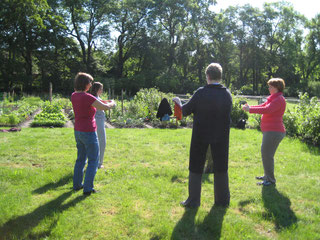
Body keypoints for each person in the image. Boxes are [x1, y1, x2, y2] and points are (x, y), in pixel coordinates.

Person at [174, 63, 232, 208]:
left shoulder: (201, 93)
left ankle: (193, 201)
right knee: (221, 167)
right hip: (221, 137)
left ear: (207, 76)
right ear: (220, 76)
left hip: (201, 136)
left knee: (195, 167)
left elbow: (183, 112)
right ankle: (222, 201)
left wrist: (177, 102)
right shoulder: (227, 94)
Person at [71, 72, 115, 196]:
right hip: (89, 132)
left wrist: (104, 102)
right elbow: (104, 107)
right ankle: (88, 188)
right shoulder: (88, 97)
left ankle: (77, 184)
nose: (91, 85)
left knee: (80, 159)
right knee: (93, 161)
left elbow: (96, 102)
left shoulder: (74, 95)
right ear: (85, 84)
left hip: (78, 131)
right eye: (90, 82)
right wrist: (112, 103)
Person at [242, 78, 286, 186]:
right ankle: (267, 176)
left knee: (267, 155)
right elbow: (263, 106)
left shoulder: (279, 99)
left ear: (277, 88)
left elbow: (267, 109)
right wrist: (250, 107)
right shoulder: (273, 98)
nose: (269, 88)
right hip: (270, 131)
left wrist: (250, 109)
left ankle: (270, 180)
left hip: (274, 132)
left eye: (271, 86)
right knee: (266, 154)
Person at [90, 82, 113, 169]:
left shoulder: (95, 98)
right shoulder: (94, 98)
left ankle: (97, 161)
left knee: (99, 141)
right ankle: (99, 163)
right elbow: (104, 107)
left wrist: (106, 101)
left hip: (99, 121)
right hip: (97, 122)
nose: (102, 91)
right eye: (101, 89)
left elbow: (101, 101)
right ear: (97, 89)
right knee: (101, 141)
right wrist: (112, 103)